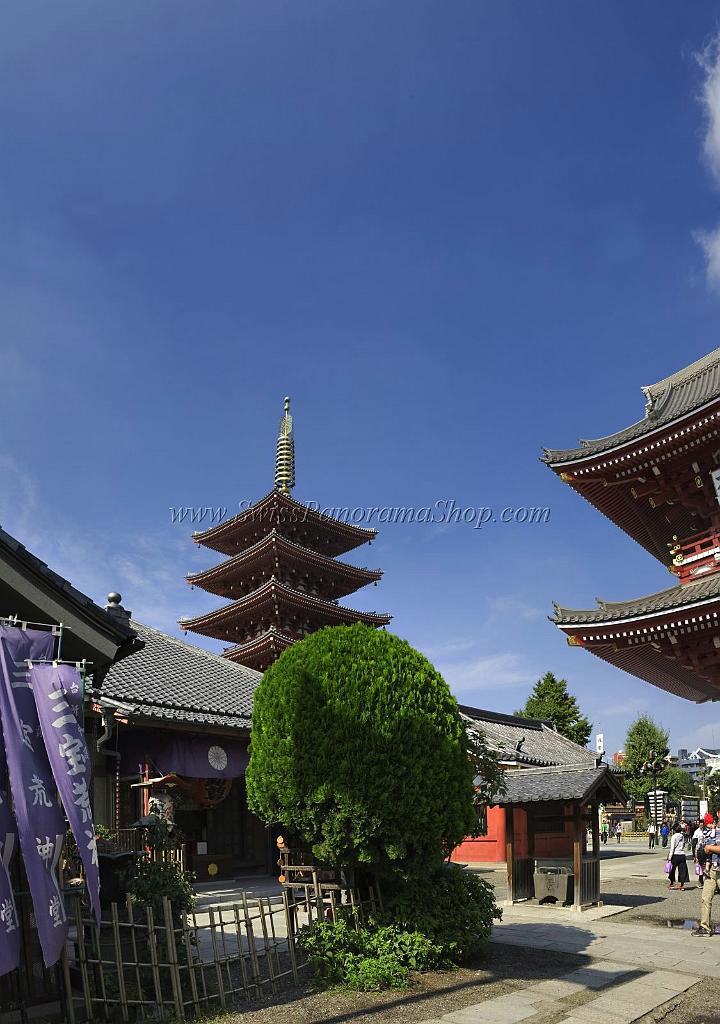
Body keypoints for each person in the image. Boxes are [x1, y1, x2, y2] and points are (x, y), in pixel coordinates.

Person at [693, 812, 720, 936]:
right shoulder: (712, 830)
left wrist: (709, 848)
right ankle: (704, 926)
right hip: (711, 871)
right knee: (705, 898)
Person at [668, 823, 689, 890]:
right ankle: (682, 885)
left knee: (672, 869)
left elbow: (672, 847)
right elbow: (683, 845)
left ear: (674, 829)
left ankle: (672, 883)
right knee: (682, 870)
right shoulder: (682, 836)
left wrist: (669, 856)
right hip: (682, 854)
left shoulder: (674, 837)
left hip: (675, 854)